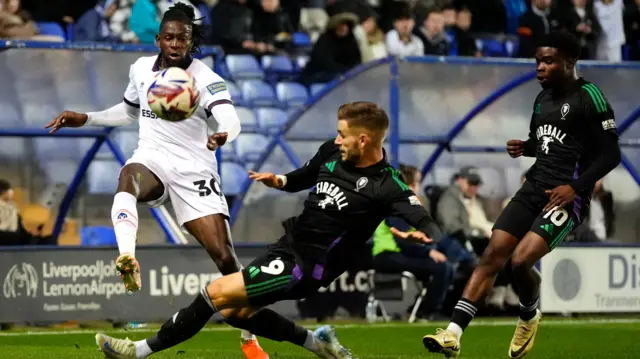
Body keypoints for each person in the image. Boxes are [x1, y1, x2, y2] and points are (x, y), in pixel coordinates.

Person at [94, 101, 443, 359]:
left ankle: (136, 351)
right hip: (288, 247)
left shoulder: (387, 184)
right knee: (234, 313)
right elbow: (303, 178)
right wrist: (280, 180)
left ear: (365, 140)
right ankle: (318, 344)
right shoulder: (332, 153)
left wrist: (426, 233)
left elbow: (419, 215)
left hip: (308, 266)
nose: (337, 140)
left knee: (215, 292)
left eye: (343, 134)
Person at [44, 4, 267, 359]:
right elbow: (129, 112)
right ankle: (127, 257)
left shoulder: (205, 77)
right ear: (158, 38)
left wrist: (224, 133)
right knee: (127, 179)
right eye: (170, 37)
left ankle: (249, 338)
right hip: (152, 158)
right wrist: (85, 117)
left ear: (191, 41)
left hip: (195, 171)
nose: (176, 43)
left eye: (184, 38)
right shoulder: (140, 69)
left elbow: (230, 117)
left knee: (225, 259)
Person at [423, 31, 621, 359]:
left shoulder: (590, 96)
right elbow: (546, 143)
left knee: (519, 262)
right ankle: (453, 334)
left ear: (569, 62)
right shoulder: (541, 100)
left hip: (565, 197)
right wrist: (525, 147)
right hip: (532, 188)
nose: (539, 68)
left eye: (547, 61)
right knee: (492, 254)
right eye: (537, 61)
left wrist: (576, 187)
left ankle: (528, 313)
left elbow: (610, 154)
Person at [372, 164, 452, 320]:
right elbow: (402, 241)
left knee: (443, 267)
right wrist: (429, 252)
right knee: (440, 268)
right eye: (416, 184)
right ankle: (426, 312)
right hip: (388, 256)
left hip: (394, 255)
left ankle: (418, 310)